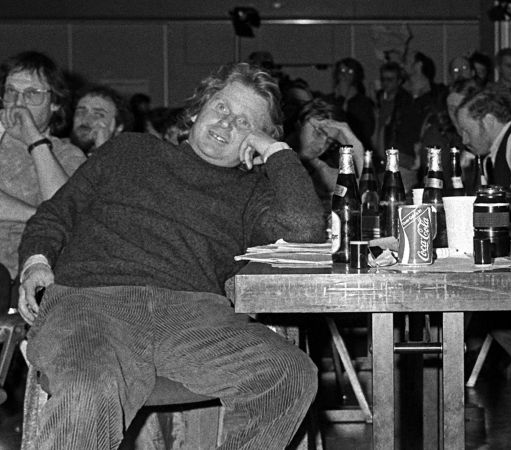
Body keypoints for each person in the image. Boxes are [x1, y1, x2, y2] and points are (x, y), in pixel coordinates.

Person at [16, 62, 323, 449]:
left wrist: (277, 152)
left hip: (193, 316)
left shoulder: (253, 194)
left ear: (257, 140)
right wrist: (37, 262)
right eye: (223, 107)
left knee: (289, 374)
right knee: (87, 389)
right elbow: (56, 214)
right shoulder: (129, 150)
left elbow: (306, 230)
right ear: (198, 109)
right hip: (92, 301)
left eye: (246, 123)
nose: (227, 124)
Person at [0, 51, 86, 282]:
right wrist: (39, 217)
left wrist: (33, 139)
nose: (18, 104)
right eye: (11, 92)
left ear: (55, 102)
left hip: (39, 271)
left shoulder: (68, 155)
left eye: (31, 94)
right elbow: (54, 218)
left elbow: (66, 211)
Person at [324, 58, 375, 151]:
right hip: (332, 152)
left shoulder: (363, 102)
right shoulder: (328, 100)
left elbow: (366, 131)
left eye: (350, 71)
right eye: (342, 71)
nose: (345, 75)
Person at [69, 84, 132, 155]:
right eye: (81, 112)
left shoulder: (129, 159)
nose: (85, 120)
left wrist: (103, 150)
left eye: (98, 114)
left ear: (119, 127)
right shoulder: (58, 150)